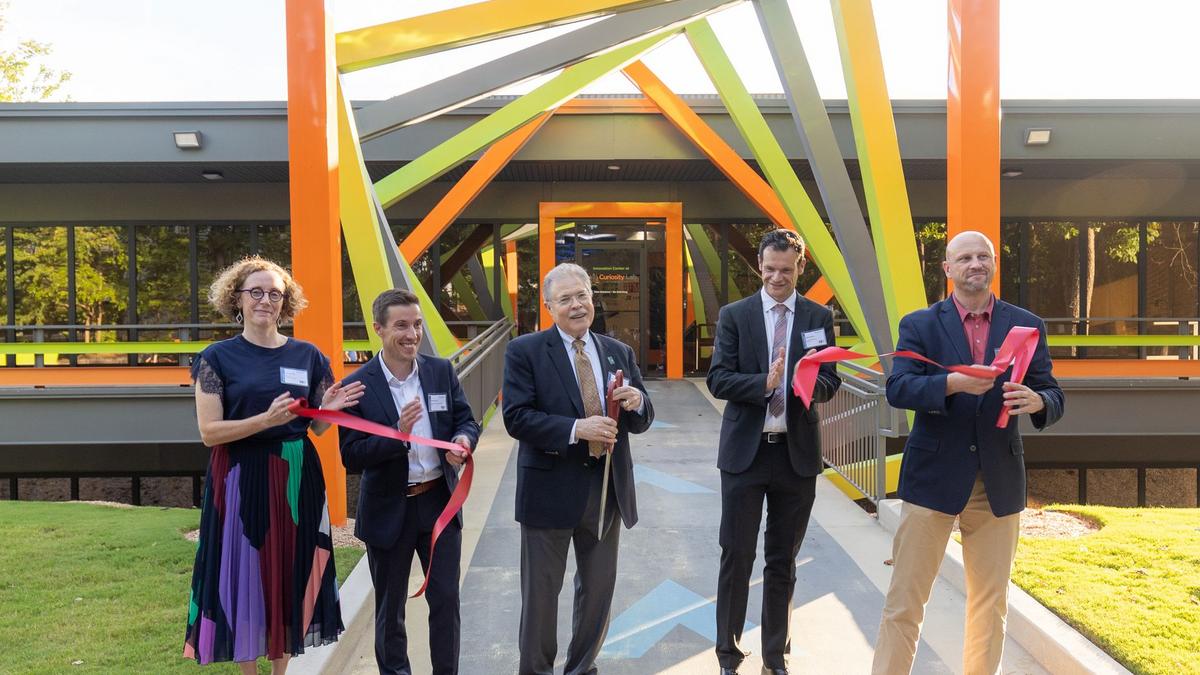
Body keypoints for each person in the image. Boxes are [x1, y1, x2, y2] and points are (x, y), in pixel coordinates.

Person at [871, 231, 1065, 675]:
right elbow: (898, 388)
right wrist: (952, 384)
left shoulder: (1026, 324)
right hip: (932, 479)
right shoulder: (920, 324)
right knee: (905, 601)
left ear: (994, 263)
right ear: (948, 269)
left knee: (991, 605)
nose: (975, 264)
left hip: (997, 481)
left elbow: (1052, 391)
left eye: (983, 256)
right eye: (964, 258)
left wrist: (1039, 402)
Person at [184, 256, 365, 674]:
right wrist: (264, 421)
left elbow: (316, 427)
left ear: (286, 302)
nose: (265, 300)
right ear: (237, 298)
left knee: (288, 574)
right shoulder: (217, 357)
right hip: (240, 475)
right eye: (256, 292)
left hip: (296, 476)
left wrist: (329, 410)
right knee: (244, 574)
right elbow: (209, 432)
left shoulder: (308, 355)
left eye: (275, 294)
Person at [503, 262, 654, 675]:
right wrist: (575, 428)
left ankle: (582, 669)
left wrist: (637, 402)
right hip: (549, 492)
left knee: (598, 594)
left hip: (606, 491)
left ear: (592, 298)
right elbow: (516, 417)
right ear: (549, 306)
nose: (576, 305)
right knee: (541, 597)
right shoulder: (525, 351)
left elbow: (642, 419)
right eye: (565, 299)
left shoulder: (618, 351)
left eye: (582, 295)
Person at [706, 228, 842, 675]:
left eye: (785, 270)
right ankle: (728, 656)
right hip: (745, 455)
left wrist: (807, 387)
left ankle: (774, 657)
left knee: (783, 559)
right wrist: (763, 383)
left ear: (800, 266)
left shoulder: (818, 316)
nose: (776, 278)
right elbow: (718, 378)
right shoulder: (735, 315)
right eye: (769, 269)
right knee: (736, 555)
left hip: (795, 455)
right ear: (759, 266)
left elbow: (830, 379)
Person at [338, 289, 480, 675]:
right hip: (388, 509)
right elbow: (351, 455)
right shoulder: (358, 385)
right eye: (401, 325)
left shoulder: (440, 371)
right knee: (390, 609)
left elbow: (466, 420)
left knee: (446, 600)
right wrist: (397, 434)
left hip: (438, 503)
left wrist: (463, 441)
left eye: (417, 324)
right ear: (379, 329)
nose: (412, 334)